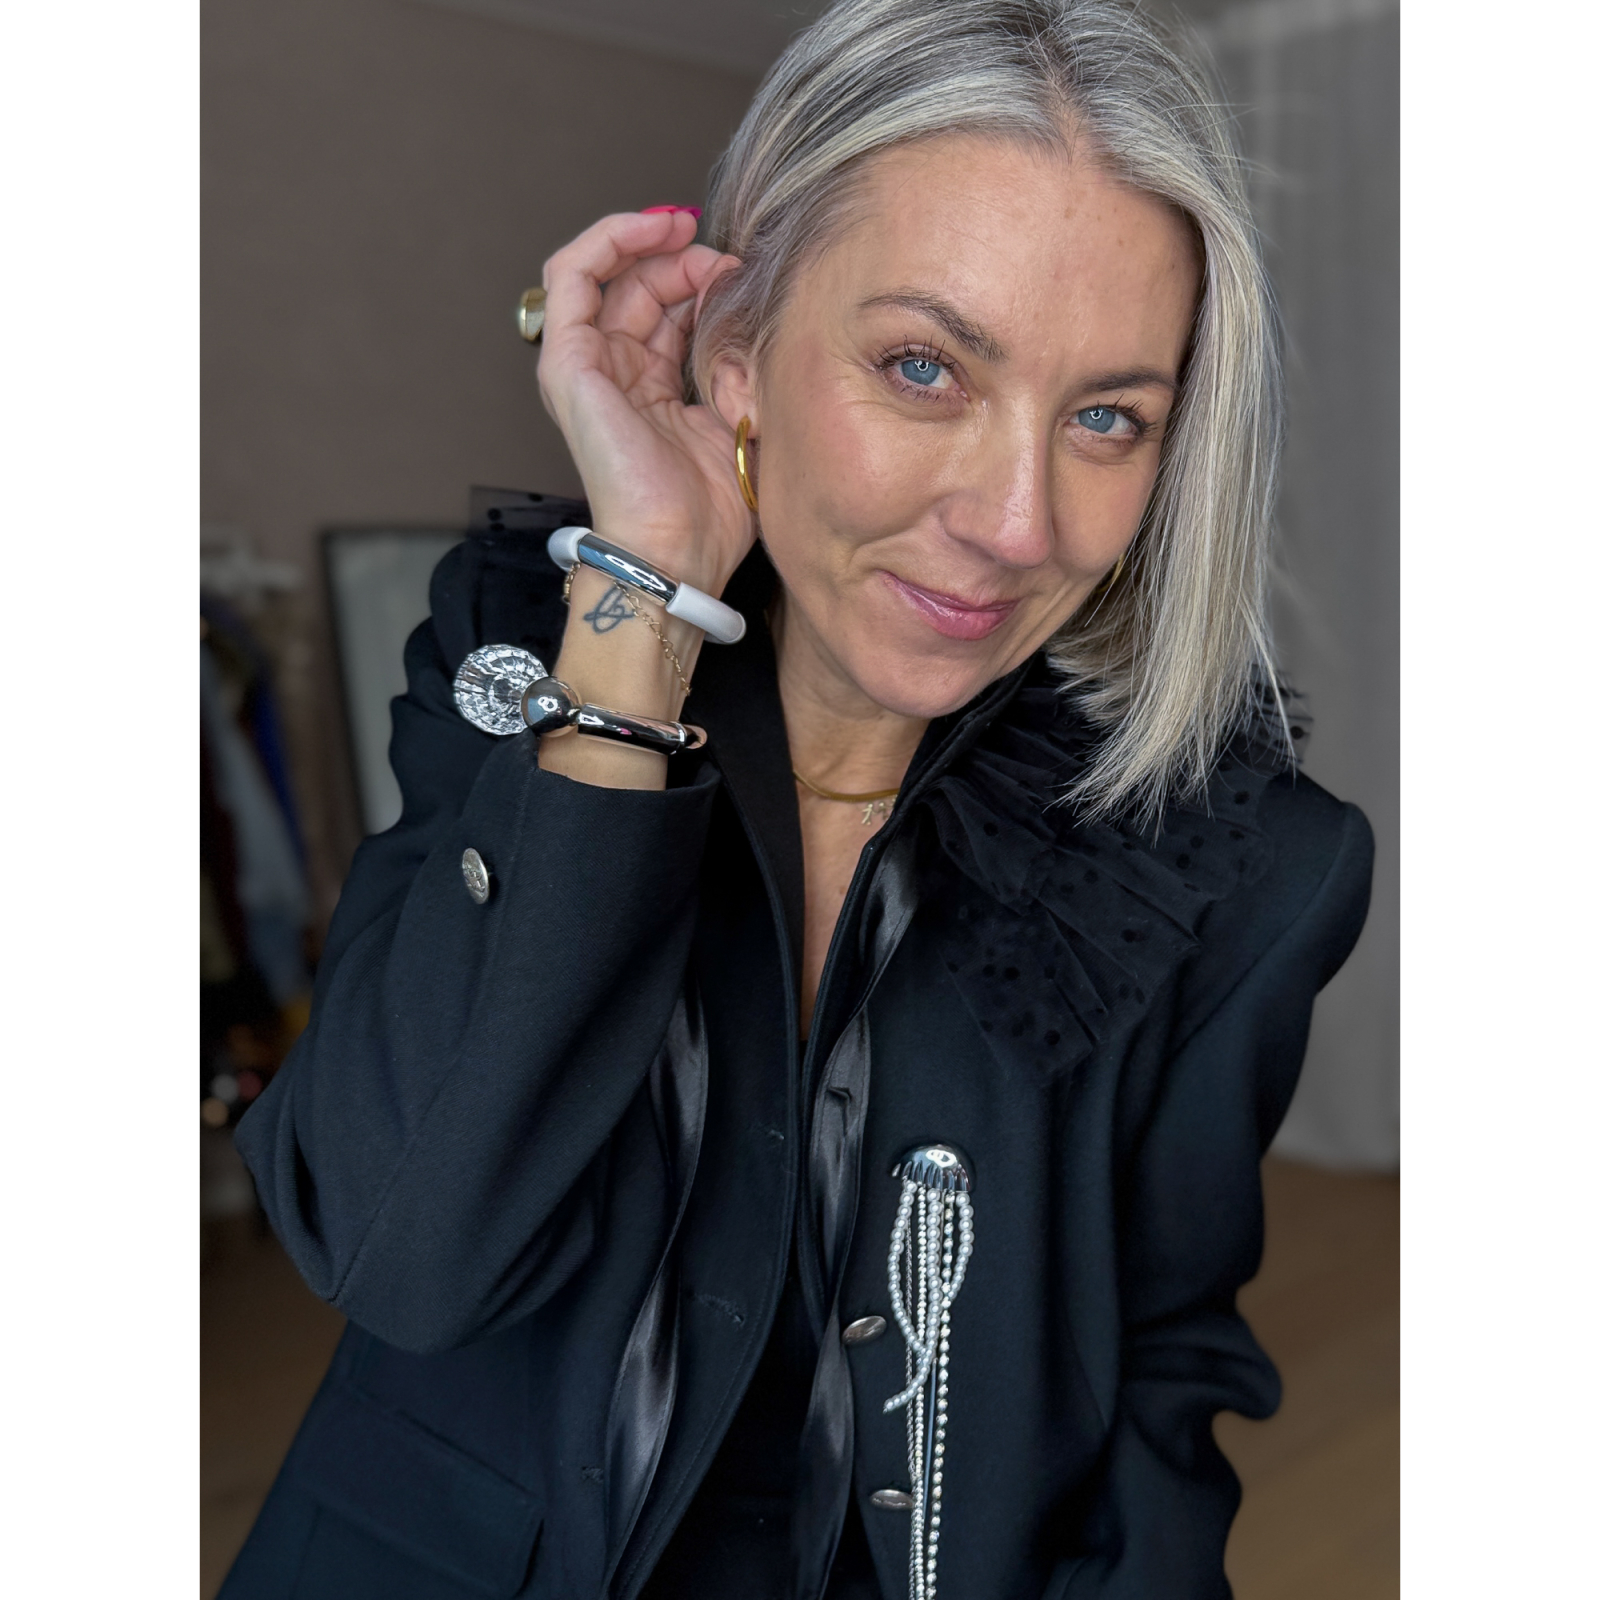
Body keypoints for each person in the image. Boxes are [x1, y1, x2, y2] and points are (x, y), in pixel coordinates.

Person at [221, 1, 1373, 1596]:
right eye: (924, 367)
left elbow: (1159, 1375)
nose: (1020, 521)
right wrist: (635, 620)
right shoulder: (514, 655)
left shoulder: (1235, 867)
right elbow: (403, 1249)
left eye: (1108, 416)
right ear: (739, 360)